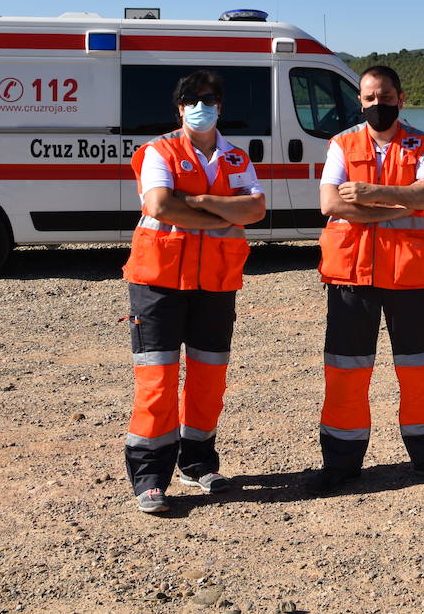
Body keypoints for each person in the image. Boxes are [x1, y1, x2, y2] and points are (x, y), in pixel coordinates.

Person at [307, 65, 424, 495]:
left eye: (386, 96)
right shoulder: (342, 144)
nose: (378, 104)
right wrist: (402, 203)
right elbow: (330, 203)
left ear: (400, 98)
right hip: (352, 276)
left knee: (421, 370)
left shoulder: (422, 145)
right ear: (360, 100)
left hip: (410, 276)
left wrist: (373, 194)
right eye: (370, 97)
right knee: (345, 373)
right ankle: (340, 465)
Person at [120, 69, 267, 514]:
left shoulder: (236, 158)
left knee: (207, 380)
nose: (199, 106)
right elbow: (160, 205)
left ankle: (197, 462)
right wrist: (225, 213)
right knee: (157, 382)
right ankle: (149, 477)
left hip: (216, 284)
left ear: (221, 106)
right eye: (190, 100)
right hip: (158, 283)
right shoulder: (158, 151)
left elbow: (257, 208)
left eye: (207, 99)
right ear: (179, 108)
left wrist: (201, 203)